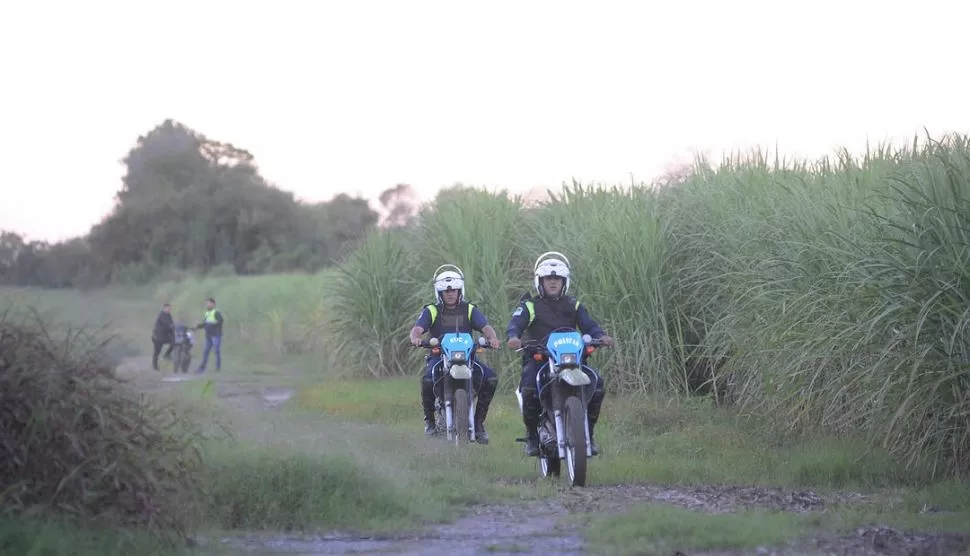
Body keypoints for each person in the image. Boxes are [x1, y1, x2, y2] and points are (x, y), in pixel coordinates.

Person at [506, 253, 614, 457]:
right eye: (549, 279)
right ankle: (532, 436)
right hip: (540, 358)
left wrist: (600, 335)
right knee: (529, 386)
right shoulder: (530, 306)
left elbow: (588, 325)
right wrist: (514, 336)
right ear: (540, 282)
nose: (553, 282)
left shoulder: (573, 304)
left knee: (597, 383)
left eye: (557, 279)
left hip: (572, 359)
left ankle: (588, 434)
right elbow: (516, 324)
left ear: (564, 282)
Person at [408, 266, 501, 444]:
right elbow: (418, 328)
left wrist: (493, 338)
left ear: (460, 290)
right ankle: (430, 421)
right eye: (446, 291)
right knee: (427, 379)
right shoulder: (432, 310)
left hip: (468, 357)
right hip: (440, 356)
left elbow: (485, 327)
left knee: (490, 378)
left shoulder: (470, 309)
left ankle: (479, 423)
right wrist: (416, 338)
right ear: (439, 292)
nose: (450, 294)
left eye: (454, 290)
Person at [194, 297, 224, 373]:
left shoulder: (216, 312)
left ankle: (218, 368)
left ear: (213, 304)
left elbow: (221, 321)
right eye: (206, 303)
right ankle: (202, 369)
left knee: (216, 351)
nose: (207, 305)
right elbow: (205, 323)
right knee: (205, 352)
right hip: (208, 336)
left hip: (216, 335)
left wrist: (212, 324)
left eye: (208, 303)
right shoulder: (207, 313)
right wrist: (197, 327)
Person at [151, 303, 175, 371]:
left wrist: (174, 330)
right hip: (157, 337)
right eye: (168, 309)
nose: (169, 310)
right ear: (164, 308)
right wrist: (172, 327)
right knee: (157, 352)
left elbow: (171, 324)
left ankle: (167, 355)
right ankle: (155, 366)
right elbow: (167, 324)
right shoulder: (161, 315)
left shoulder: (169, 315)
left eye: (170, 309)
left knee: (174, 342)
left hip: (164, 336)